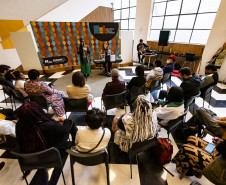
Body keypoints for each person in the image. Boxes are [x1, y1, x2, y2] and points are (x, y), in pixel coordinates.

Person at [15, 102, 76, 184]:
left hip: (30, 158)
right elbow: (65, 130)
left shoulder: (19, 125)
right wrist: (65, 121)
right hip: (52, 156)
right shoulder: (49, 126)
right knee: (70, 123)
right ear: (39, 112)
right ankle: (75, 145)